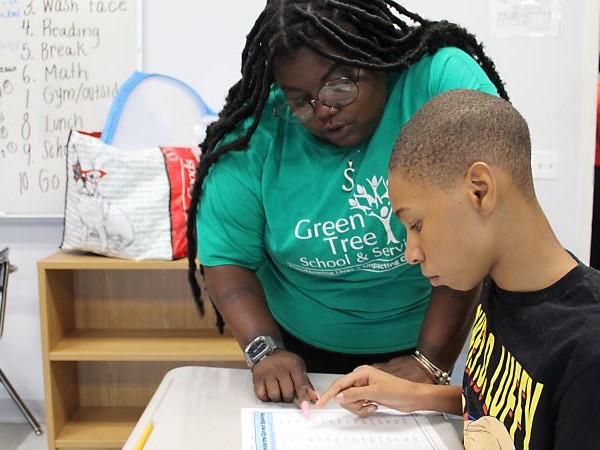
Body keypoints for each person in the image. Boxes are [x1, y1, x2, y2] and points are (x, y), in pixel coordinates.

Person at [186, 0, 509, 408]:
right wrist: (264, 351)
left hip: (435, 334)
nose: (322, 112)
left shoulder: (438, 83)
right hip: (303, 349)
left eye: (339, 86)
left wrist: (430, 362)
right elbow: (227, 260)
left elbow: (481, 221)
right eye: (299, 101)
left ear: (374, 56)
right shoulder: (255, 136)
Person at [316, 89, 600, 449]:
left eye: (415, 224)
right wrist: (415, 395)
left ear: (479, 190)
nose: (410, 254)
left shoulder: (588, 355)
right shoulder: (499, 286)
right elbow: (500, 413)